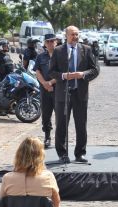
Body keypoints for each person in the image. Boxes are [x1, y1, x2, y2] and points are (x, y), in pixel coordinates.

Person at [49, 25, 99, 164]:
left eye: (77, 34)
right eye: (72, 35)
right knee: (61, 124)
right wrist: (64, 76)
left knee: (81, 124)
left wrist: (83, 74)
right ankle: (62, 154)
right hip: (63, 94)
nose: (75, 37)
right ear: (66, 36)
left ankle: (80, 153)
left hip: (80, 93)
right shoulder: (58, 51)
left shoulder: (86, 49)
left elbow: (95, 70)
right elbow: (51, 71)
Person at [0, 137, 60, 207]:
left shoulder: (7, 178)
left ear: (19, 155)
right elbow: (56, 201)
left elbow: (2, 201)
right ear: (40, 156)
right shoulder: (48, 177)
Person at [33, 34, 57, 149]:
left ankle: (60, 138)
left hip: (58, 90)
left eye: (52, 41)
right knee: (46, 115)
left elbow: (64, 73)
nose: (50, 43)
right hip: (45, 90)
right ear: (45, 43)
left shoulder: (61, 56)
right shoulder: (40, 57)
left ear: (56, 42)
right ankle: (47, 136)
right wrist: (44, 84)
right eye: (48, 41)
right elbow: (37, 71)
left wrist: (51, 83)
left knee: (61, 115)